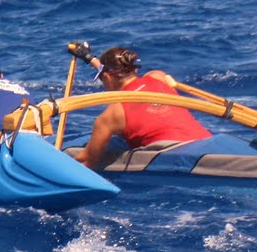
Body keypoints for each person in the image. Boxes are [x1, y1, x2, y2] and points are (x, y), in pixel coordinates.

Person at [65, 42, 210, 168]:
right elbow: (118, 71)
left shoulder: (111, 115)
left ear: (107, 77)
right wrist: (89, 58)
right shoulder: (159, 77)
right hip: (207, 142)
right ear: (134, 69)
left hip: (180, 157)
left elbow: (88, 162)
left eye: (102, 78)